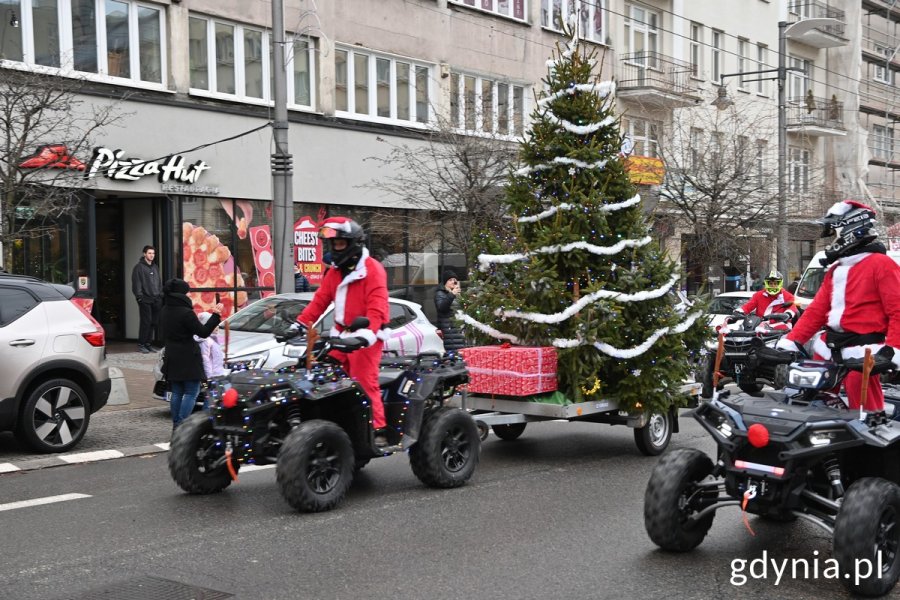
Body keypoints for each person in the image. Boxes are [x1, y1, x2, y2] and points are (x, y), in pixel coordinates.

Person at [776, 200, 900, 411]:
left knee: (864, 411)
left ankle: (871, 438)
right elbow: (816, 311)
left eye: (837, 233)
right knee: (812, 402)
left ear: (852, 230)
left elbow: (897, 309)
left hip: (864, 353)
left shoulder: (881, 265)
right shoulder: (836, 270)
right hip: (828, 349)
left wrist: (892, 350)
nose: (835, 240)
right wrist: (791, 342)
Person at [291, 217, 390, 445]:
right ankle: (337, 424)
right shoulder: (334, 272)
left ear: (353, 243)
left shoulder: (373, 270)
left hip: (366, 336)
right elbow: (320, 301)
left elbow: (378, 306)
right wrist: (300, 324)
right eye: (332, 245)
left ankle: (378, 428)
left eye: (339, 244)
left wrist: (366, 333)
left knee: (364, 380)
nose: (335, 249)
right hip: (339, 335)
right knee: (325, 378)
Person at [160, 278, 222, 429]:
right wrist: (215, 315)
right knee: (191, 392)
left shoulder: (164, 311)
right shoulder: (186, 313)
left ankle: (176, 424)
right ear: (182, 294)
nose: (189, 295)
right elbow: (204, 332)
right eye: (187, 292)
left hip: (172, 355)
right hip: (188, 357)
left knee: (177, 392)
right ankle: (182, 424)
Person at [131, 245, 163, 353]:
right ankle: (141, 344)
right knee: (146, 322)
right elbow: (136, 284)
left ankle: (148, 344)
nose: (152, 255)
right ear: (144, 254)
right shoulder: (138, 267)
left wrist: (160, 294)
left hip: (156, 299)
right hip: (145, 299)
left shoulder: (155, 267)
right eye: (149, 253)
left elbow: (159, 282)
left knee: (153, 322)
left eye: (153, 253)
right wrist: (139, 297)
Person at [196, 311, 227, 410]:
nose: (217, 327)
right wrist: (209, 377)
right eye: (214, 325)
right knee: (210, 399)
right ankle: (207, 416)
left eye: (217, 325)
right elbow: (205, 359)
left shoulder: (214, 339)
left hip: (218, 374)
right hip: (212, 376)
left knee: (215, 398)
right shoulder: (206, 341)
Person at [434, 269, 465, 352]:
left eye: (454, 280)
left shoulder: (455, 294)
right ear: (445, 282)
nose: (453, 282)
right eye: (450, 280)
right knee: (452, 353)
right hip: (449, 330)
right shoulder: (440, 293)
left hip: (458, 329)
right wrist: (452, 294)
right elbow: (442, 308)